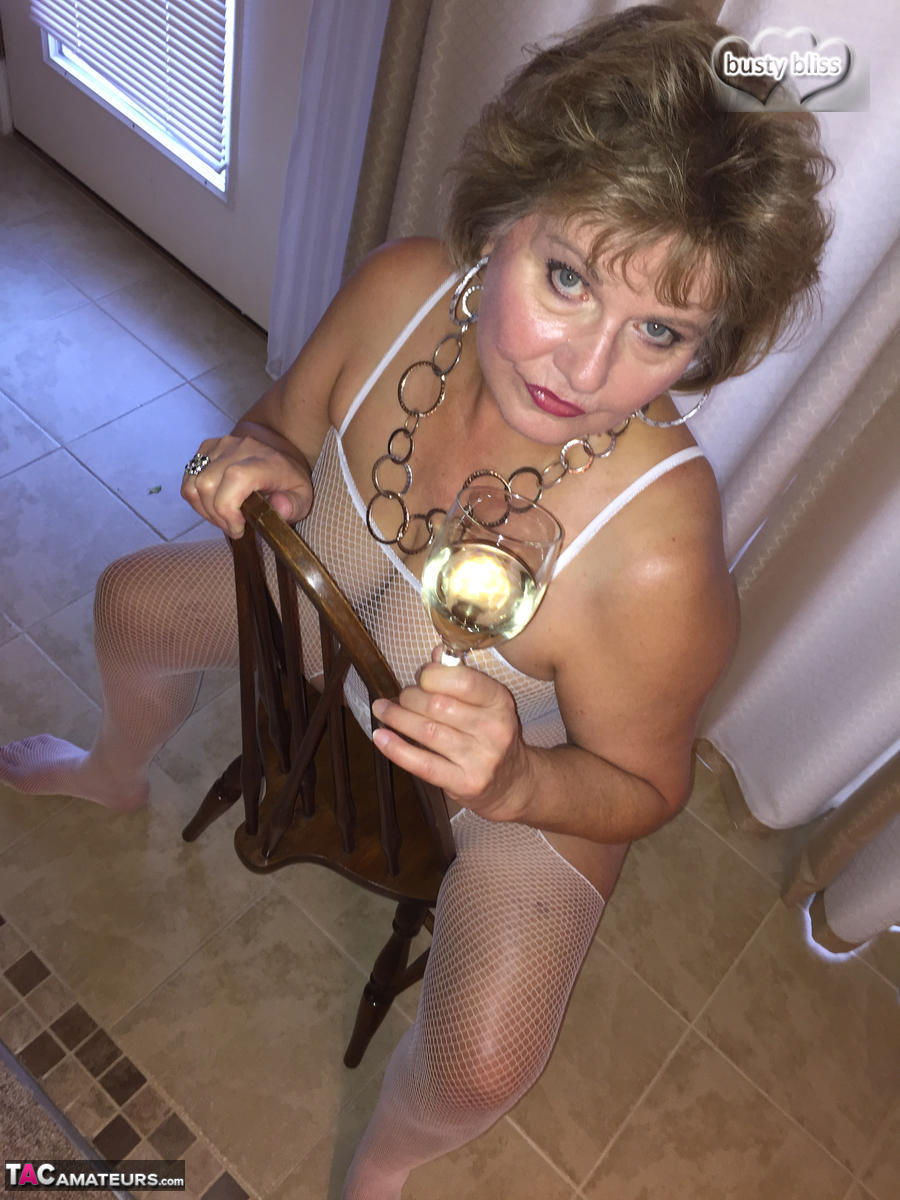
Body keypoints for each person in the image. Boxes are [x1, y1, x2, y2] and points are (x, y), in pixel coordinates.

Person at [1, 5, 832, 1196]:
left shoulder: (659, 556)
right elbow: (273, 426)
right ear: (501, 222)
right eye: (566, 277)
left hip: (509, 775)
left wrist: (519, 780)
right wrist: (250, 465)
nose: (586, 369)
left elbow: (646, 788)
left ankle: (382, 1170)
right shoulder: (400, 290)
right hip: (325, 605)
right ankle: (112, 769)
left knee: (487, 1060)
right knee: (131, 602)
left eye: (659, 330)